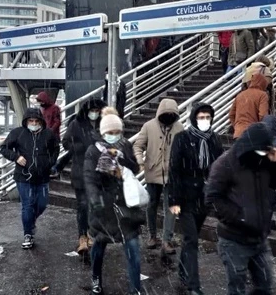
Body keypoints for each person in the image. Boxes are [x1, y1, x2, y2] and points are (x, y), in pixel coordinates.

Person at [205, 123, 276, 295]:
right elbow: (212, 198)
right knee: (237, 289)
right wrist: (241, 217)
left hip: (259, 238)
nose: (265, 152)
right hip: (233, 240)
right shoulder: (225, 163)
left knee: (265, 287)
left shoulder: (263, 159)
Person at [83, 114, 143, 295]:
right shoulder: (93, 151)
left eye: (117, 132)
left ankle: (135, 289)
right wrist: (95, 200)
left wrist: (123, 161)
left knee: (133, 248)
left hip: (125, 206)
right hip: (103, 208)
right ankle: (96, 278)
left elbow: (134, 168)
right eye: (110, 132)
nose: (114, 135)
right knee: (99, 247)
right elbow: (90, 178)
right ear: (103, 132)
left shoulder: (125, 146)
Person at [168, 102, 224, 295]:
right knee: (192, 239)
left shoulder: (214, 140)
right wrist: (173, 200)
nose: (204, 121)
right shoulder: (181, 138)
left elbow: (220, 168)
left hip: (204, 198)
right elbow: (174, 170)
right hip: (184, 197)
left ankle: (183, 270)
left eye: (208, 117)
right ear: (193, 118)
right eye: (201, 117)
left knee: (190, 238)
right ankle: (194, 286)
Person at [0, 108, 59, 249]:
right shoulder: (18, 133)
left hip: (42, 176)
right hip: (23, 176)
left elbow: (55, 149)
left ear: (41, 122)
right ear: (26, 121)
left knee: (42, 204)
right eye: (30, 121)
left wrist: (49, 163)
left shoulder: (48, 134)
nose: (33, 123)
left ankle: (30, 222)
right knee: (27, 205)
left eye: (36, 121)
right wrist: (16, 157)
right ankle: (28, 234)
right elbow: (4, 148)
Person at [54, 98, 105, 255]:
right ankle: (82, 237)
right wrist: (79, 147)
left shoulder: (104, 124)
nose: (94, 114)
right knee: (82, 205)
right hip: (80, 171)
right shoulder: (77, 124)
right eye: (92, 111)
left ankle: (90, 234)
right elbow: (66, 141)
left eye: (97, 111)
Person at [133, 98, 183, 255]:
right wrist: (140, 161)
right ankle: (152, 236)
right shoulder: (148, 126)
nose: (168, 117)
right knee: (151, 205)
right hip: (152, 172)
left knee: (172, 207)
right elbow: (138, 145)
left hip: (172, 174)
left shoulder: (179, 128)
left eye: (171, 114)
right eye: (165, 114)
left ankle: (167, 240)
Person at [229, 73, 269, 139]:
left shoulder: (240, 95)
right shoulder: (262, 95)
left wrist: (237, 126)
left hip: (238, 133)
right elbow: (263, 116)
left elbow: (231, 114)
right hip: (253, 133)